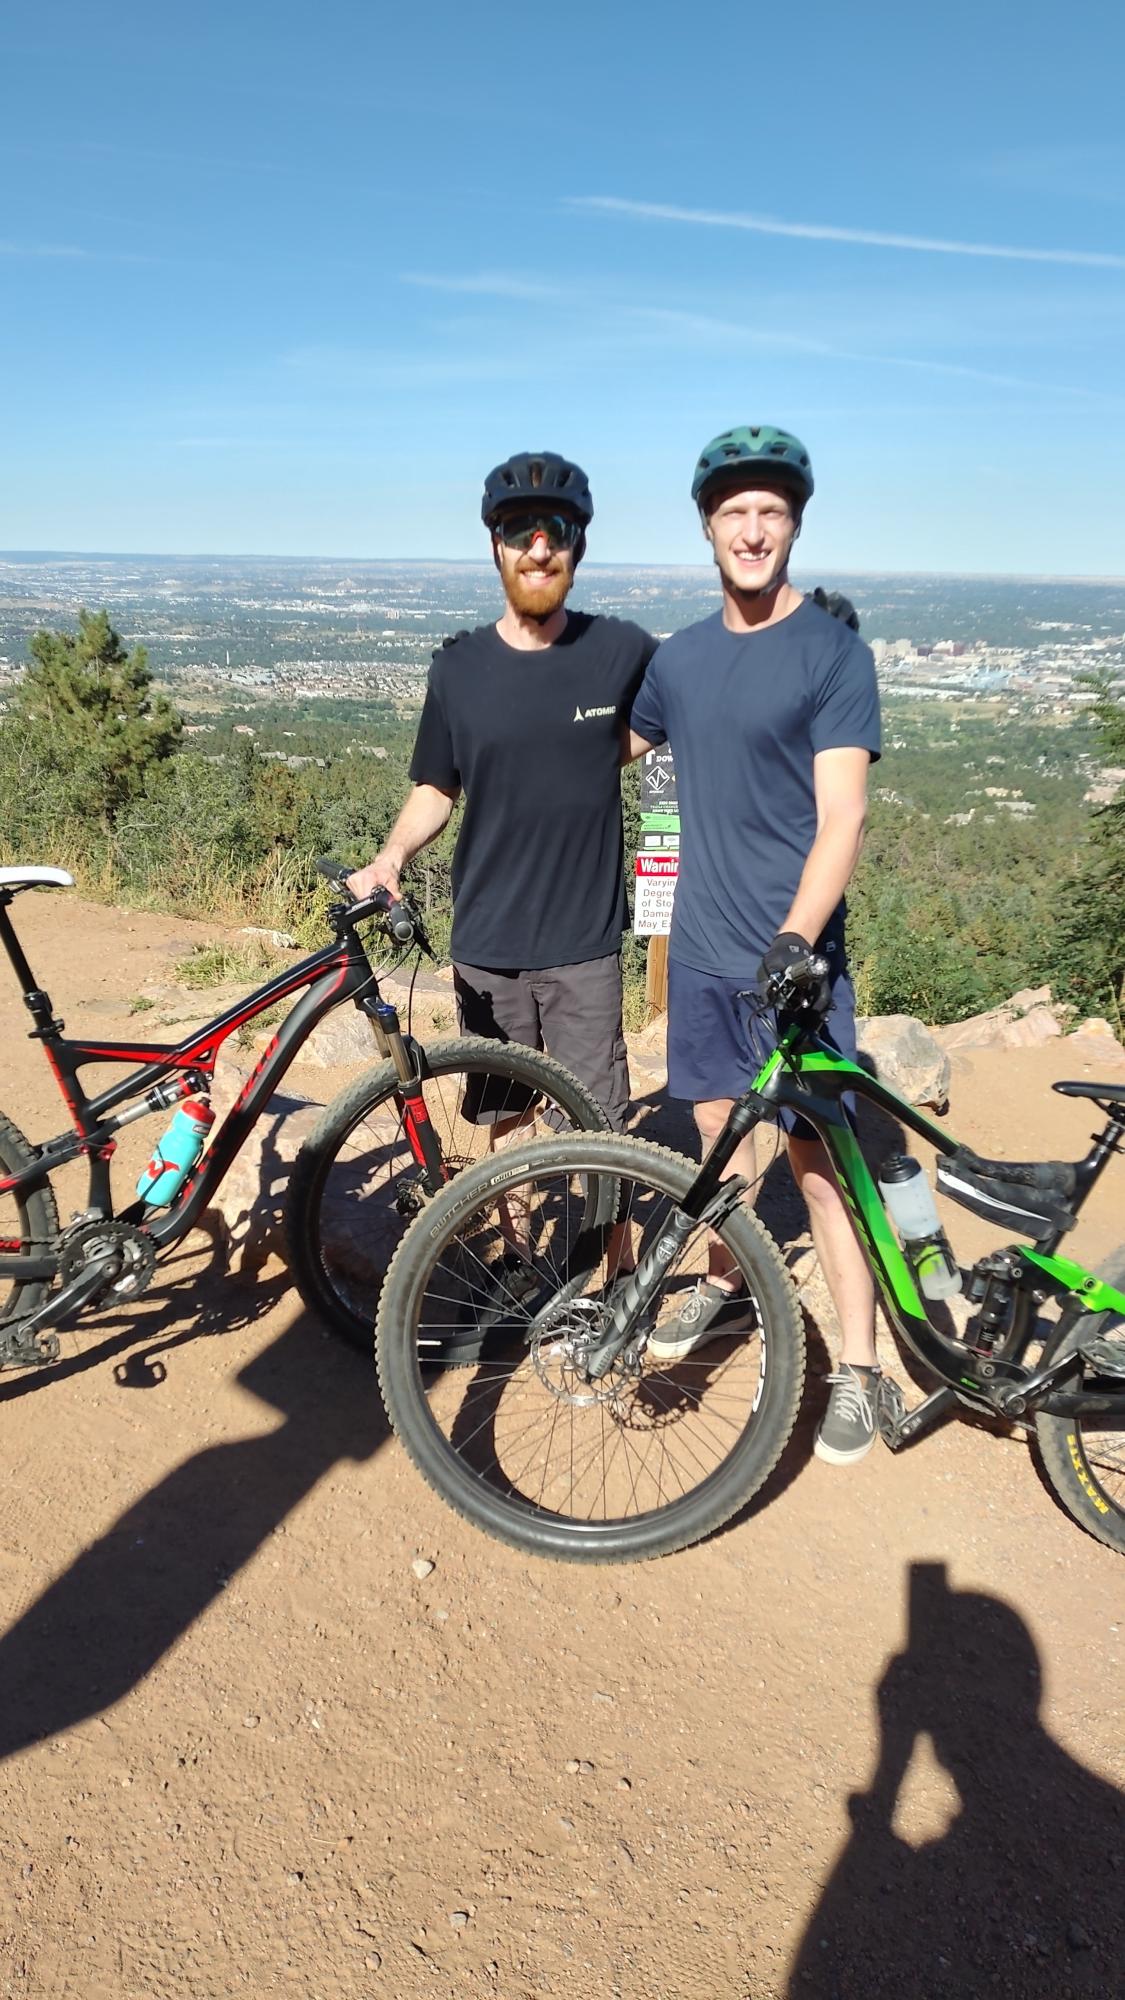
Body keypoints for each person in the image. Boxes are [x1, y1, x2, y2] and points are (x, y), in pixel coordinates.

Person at [626, 425, 885, 1466]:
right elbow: (612, 742)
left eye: (770, 511)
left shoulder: (832, 652)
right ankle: (729, 1280)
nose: (751, 529)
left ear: (794, 526)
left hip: (792, 964)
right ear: (707, 527)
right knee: (717, 1137)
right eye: (733, 511)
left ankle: (860, 1365)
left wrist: (795, 937)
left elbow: (844, 816)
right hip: (700, 953)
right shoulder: (679, 659)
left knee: (819, 1166)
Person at [347, 450, 658, 1290]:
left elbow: (669, 721)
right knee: (504, 1113)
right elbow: (435, 786)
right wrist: (390, 857)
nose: (537, 546)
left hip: (584, 941)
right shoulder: (458, 669)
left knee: (601, 1121)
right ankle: (521, 1263)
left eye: (555, 529)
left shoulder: (621, 649)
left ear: (577, 545)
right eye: (520, 531)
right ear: (495, 547)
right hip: (487, 938)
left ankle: (613, 1281)